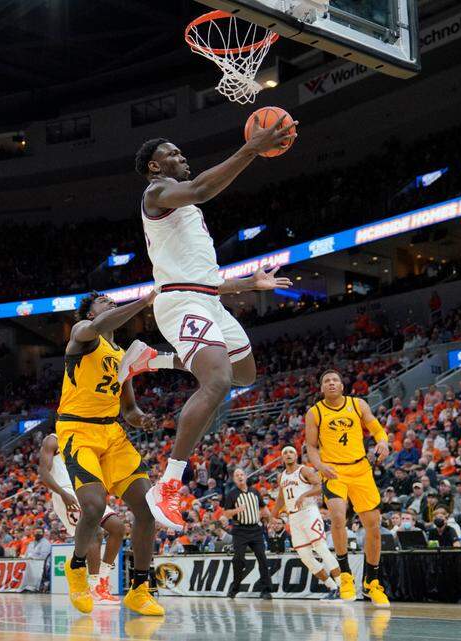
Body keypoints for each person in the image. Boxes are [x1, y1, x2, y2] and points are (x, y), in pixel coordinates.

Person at [133, 126, 296, 530]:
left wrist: (250, 285)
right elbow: (204, 188)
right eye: (174, 152)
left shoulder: (188, 210)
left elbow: (207, 278)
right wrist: (251, 149)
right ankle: (168, 484)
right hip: (181, 301)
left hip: (209, 299)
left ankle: (159, 360)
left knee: (244, 375)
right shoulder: (156, 193)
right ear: (156, 166)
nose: (183, 156)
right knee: (218, 381)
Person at [56, 291, 168, 616]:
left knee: (147, 509)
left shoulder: (122, 355)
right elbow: (101, 323)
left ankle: (140, 589)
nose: (110, 303)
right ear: (90, 314)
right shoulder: (81, 335)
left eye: (111, 301)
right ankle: (77, 567)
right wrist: (145, 301)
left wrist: (142, 419)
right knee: (94, 505)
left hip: (112, 434)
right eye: (103, 302)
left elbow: (129, 409)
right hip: (78, 430)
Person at [304, 370, 391, 607]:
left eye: (335, 380)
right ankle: (345, 576)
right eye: (326, 381)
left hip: (361, 469)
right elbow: (311, 447)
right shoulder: (315, 413)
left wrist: (382, 441)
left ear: (342, 386)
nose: (331, 383)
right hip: (334, 472)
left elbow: (376, 428)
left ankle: (371, 583)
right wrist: (320, 465)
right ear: (321, 388)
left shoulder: (358, 404)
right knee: (338, 517)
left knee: (373, 526)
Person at [38, 432, 124, 604]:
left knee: (118, 527)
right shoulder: (53, 439)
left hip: (85, 490)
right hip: (66, 491)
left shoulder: (85, 438)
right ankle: (94, 587)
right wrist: (62, 493)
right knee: (96, 533)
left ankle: (103, 579)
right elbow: (43, 473)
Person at [273, 446, 340, 595]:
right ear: (282, 458)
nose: (288, 455)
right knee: (305, 557)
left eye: (291, 452)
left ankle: (343, 585)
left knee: (321, 548)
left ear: (296, 456)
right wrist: (273, 514)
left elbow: (320, 486)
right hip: (294, 517)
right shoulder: (281, 476)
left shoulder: (305, 470)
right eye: (285, 453)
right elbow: (281, 497)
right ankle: (332, 587)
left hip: (309, 512)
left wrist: (305, 495)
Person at [223, 468, 276, 599]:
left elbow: (263, 508)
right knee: (238, 560)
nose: (240, 477)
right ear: (234, 479)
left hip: (256, 530)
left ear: (245, 477)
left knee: (262, 559)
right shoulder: (232, 494)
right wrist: (237, 510)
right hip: (240, 531)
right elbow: (226, 513)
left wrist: (270, 521)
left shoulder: (254, 491)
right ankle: (235, 588)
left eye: (241, 474)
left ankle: (266, 590)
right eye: (237, 475)